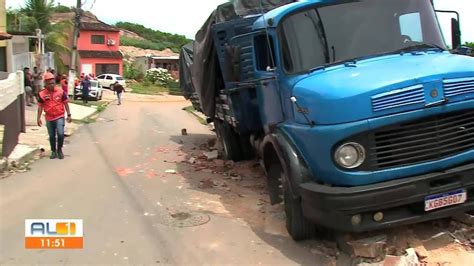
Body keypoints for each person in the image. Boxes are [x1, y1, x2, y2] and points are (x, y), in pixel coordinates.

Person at [37, 72, 72, 160]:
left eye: (53, 83)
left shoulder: (60, 92)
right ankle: (53, 151)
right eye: (49, 83)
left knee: (60, 134)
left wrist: (69, 115)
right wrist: (38, 118)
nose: (51, 85)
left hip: (59, 116)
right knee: (52, 136)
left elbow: (66, 103)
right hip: (49, 118)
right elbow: (40, 107)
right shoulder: (42, 94)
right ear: (45, 84)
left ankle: (59, 150)